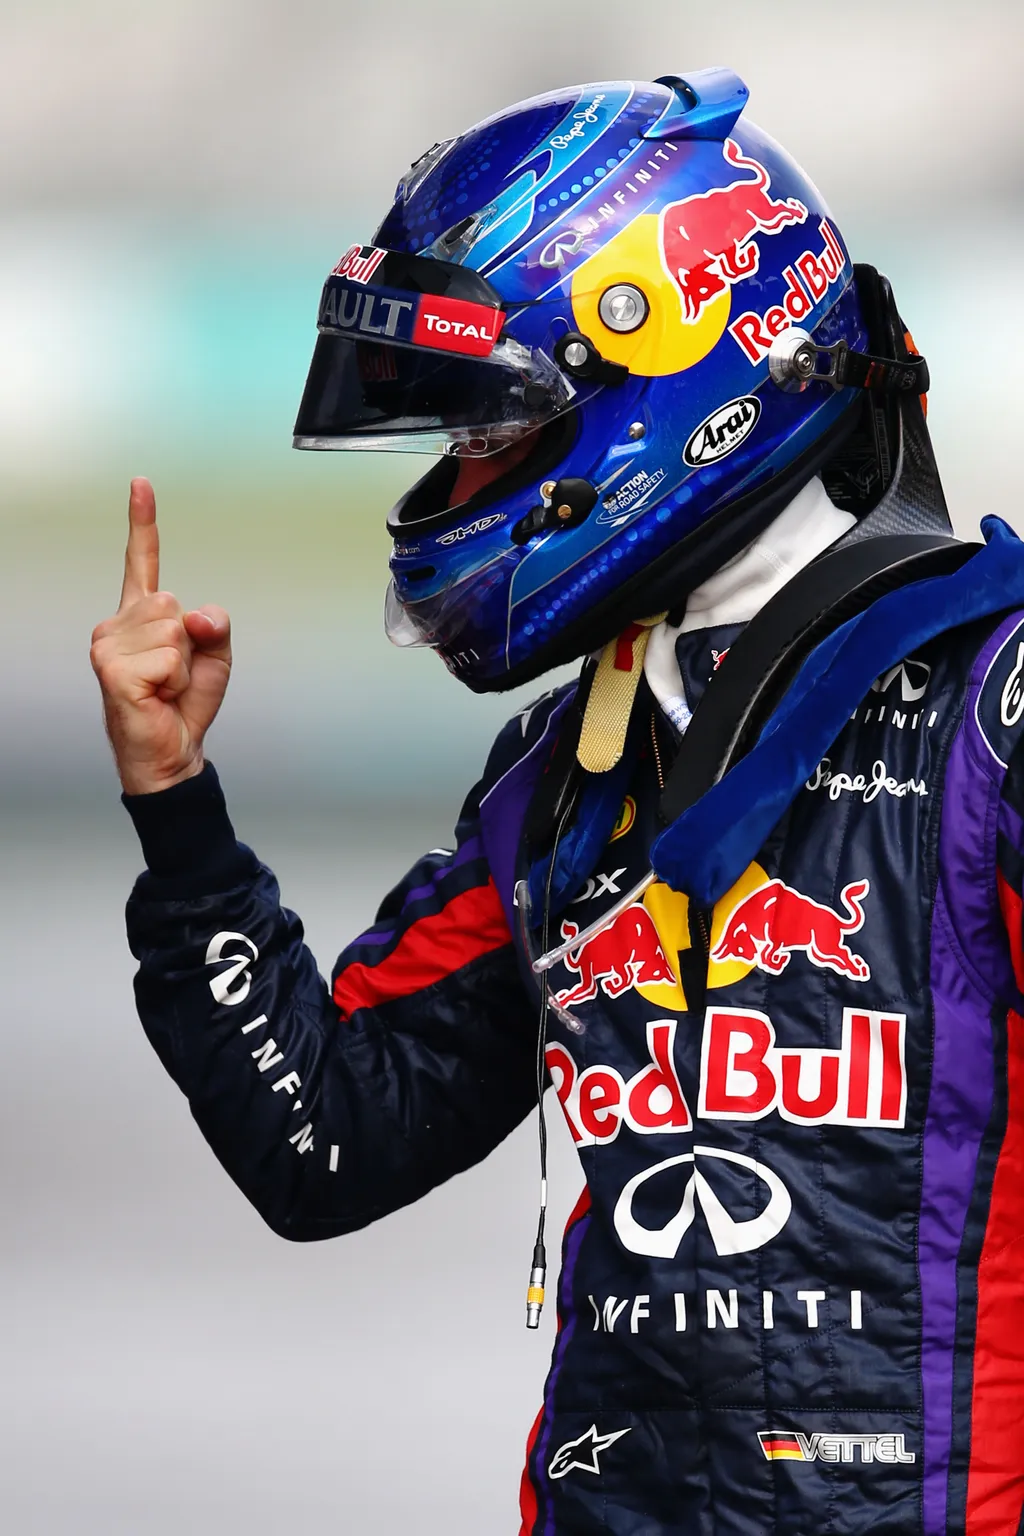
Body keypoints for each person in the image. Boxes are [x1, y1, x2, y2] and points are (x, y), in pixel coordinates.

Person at [90, 69, 1024, 1536]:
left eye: (494, 435)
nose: (462, 479)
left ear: (669, 366)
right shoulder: (565, 781)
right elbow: (325, 1140)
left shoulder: (998, 712)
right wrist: (177, 809)